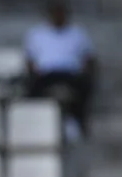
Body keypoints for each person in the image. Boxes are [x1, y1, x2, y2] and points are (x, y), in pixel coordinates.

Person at [25, 0, 97, 140]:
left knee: (85, 85)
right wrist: (33, 71)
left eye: (61, 12)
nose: (58, 16)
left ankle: (78, 121)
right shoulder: (36, 34)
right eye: (55, 12)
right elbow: (29, 59)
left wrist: (86, 70)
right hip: (46, 74)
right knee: (31, 87)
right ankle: (35, 123)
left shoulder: (78, 33)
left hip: (71, 73)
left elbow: (89, 57)